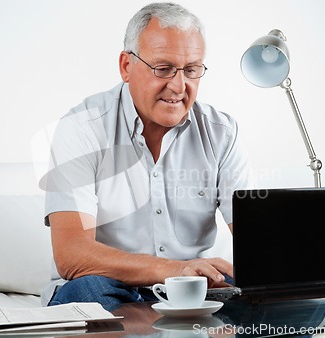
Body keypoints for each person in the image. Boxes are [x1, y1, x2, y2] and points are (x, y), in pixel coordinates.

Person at [40, 2, 252, 309]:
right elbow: (71, 254)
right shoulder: (82, 128)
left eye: (191, 70)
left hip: (192, 287)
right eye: (163, 69)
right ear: (126, 66)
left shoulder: (222, 133)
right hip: (106, 283)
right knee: (86, 297)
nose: (179, 86)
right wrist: (171, 270)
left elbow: (255, 241)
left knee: (270, 299)